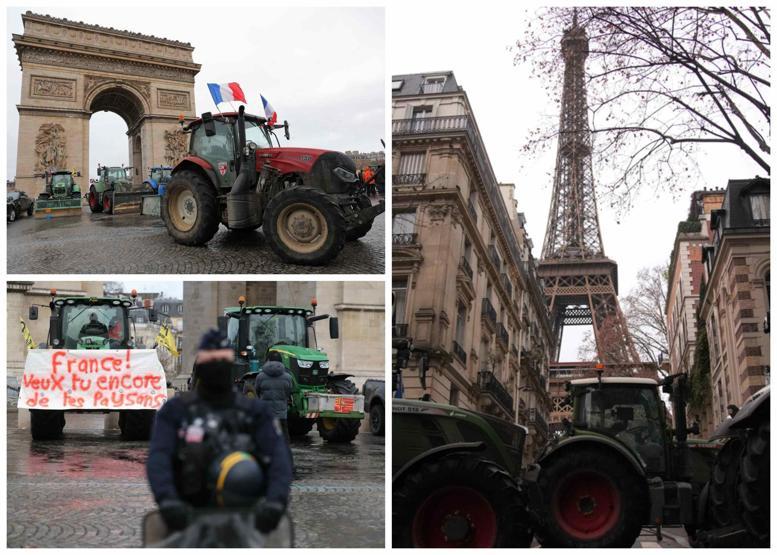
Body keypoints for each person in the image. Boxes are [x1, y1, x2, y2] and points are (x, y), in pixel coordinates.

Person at [146, 329, 292, 536]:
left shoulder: (255, 413)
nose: (217, 367)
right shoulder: (176, 411)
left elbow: (279, 459)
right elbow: (159, 457)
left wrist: (275, 502)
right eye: (212, 360)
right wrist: (167, 500)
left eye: (221, 360)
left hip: (246, 520)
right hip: (187, 519)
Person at [254, 351, 293, 443]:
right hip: (282, 414)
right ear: (281, 361)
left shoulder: (260, 376)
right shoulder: (288, 377)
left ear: (268, 360)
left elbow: (257, 391)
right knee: (284, 441)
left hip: (266, 413)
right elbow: (289, 392)